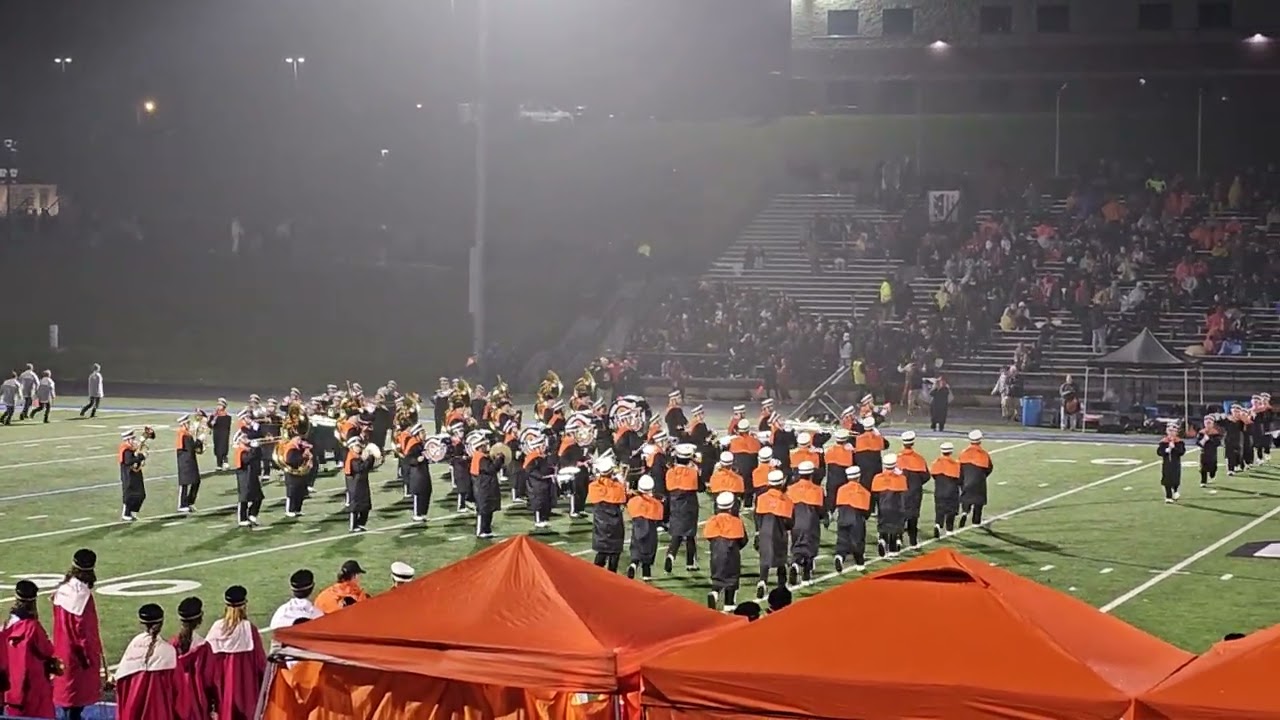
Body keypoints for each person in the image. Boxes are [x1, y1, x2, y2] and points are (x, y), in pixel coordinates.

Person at [52, 549, 104, 720]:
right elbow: (84, 633)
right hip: (78, 657)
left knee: (68, 700)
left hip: (62, 650)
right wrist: (91, 657)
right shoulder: (83, 596)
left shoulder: (62, 589)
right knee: (74, 703)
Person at [205, 586, 266, 720]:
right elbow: (261, 664)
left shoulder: (216, 629)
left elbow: (207, 665)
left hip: (222, 691)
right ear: (244, 606)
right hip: (246, 691)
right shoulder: (249, 630)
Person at [113, 603, 180, 720]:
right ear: (162, 623)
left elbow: (122, 685)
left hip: (133, 713)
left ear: (141, 623)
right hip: (160, 714)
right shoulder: (168, 651)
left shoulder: (133, 646)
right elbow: (177, 691)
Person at [3, 579, 57, 719]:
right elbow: (47, 650)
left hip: (10, 684)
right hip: (33, 684)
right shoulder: (32, 627)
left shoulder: (7, 625)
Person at [170, 597, 217, 720]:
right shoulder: (204, 648)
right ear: (199, 620)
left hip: (177, 703)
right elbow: (209, 680)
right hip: (198, 704)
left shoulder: (171, 646)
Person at [754, 470, 793, 599]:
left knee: (764, 558)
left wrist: (758, 532)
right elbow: (789, 522)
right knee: (781, 560)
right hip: (779, 532)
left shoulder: (761, 498)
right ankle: (782, 585)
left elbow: (757, 516)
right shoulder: (786, 500)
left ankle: (762, 581)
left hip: (764, 531)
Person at [704, 492, 747, 610]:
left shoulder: (711, 521)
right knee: (731, 579)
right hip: (732, 553)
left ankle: (715, 592)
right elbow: (744, 540)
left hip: (716, 553)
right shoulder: (736, 522)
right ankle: (729, 603)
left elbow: (709, 537)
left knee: (717, 576)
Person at [664, 443, 701, 573]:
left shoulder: (670, 472)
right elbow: (701, 487)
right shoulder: (693, 472)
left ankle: (671, 554)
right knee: (690, 533)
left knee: (677, 532)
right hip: (689, 502)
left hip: (674, 502)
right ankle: (690, 562)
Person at [587, 456, 627, 573]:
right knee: (614, 557)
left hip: (600, 526)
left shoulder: (593, 487)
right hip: (616, 526)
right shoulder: (618, 488)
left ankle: (595, 578)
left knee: (601, 554)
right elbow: (622, 497)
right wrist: (620, 479)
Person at [786, 461, 824, 585]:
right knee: (810, 547)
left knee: (797, 545)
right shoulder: (817, 489)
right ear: (811, 474)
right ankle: (806, 576)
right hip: (810, 520)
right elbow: (820, 509)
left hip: (795, 520)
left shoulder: (790, 489)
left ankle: (796, 564)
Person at [626, 475, 664, 580]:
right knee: (649, 549)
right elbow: (660, 516)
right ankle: (646, 573)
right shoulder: (655, 504)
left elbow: (629, 510)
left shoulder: (634, 501)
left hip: (637, 526)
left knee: (636, 547)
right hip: (650, 527)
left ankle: (634, 563)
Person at [896, 431, 931, 547]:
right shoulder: (919, 458)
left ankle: (898, 538)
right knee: (913, 515)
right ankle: (913, 540)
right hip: (915, 490)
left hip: (901, 490)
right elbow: (926, 476)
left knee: (900, 514)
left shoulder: (897, 458)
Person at [833, 466, 871, 573]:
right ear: (859, 477)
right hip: (856, 518)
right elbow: (866, 512)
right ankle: (859, 564)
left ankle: (840, 556)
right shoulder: (864, 492)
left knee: (842, 539)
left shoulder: (841, 489)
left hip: (842, 516)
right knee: (857, 541)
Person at [871, 453, 907, 558]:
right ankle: (892, 549)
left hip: (883, 505)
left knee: (883, 525)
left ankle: (882, 539)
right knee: (894, 527)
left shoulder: (877, 477)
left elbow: (875, 493)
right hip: (896, 506)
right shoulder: (900, 478)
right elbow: (904, 491)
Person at [468, 431, 503, 538]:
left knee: (489, 509)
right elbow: (491, 469)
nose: (487, 447)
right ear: (479, 447)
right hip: (483, 487)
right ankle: (481, 530)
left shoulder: (482, 457)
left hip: (487, 486)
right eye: (484, 445)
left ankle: (487, 530)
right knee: (483, 510)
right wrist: (499, 459)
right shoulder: (480, 458)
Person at [522, 431, 557, 529]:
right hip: (536, 486)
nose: (544, 447)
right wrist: (542, 476)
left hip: (544, 484)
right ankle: (538, 520)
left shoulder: (542, 457)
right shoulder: (532, 458)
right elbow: (530, 471)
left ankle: (544, 519)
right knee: (539, 503)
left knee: (545, 502)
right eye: (542, 446)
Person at [958, 430, 993, 528]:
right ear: (980, 440)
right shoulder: (984, 454)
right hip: (979, 480)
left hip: (966, 480)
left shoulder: (963, 453)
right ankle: (976, 521)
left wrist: (961, 481)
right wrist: (982, 476)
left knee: (966, 497)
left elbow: (959, 468)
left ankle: (965, 512)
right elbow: (989, 468)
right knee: (978, 501)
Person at [401, 425, 433, 523]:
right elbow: (407, 459)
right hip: (416, 472)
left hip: (423, 470)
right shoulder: (413, 444)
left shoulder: (422, 444)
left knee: (427, 491)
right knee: (419, 493)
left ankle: (423, 513)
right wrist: (416, 460)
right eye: (422, 433)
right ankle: (417, 514)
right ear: (417, 434)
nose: (425, 434)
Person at [233, 432, 264, 528]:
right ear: (240, 440)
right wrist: (254, 448)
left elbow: (258, 456)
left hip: (253, 476)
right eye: (244, 437)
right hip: (244, 477)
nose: (247, 438)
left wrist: (257, 447)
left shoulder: (249, 449)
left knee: (259, 497)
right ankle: (242, 519)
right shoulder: (240, 451)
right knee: (244, 498)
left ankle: (252, 514)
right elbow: (247, 459)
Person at [930, 442, 962, 537]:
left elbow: (934, 475)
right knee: (951, 510)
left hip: (939, 489)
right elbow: (959, 478)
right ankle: (949, 529)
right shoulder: (955, 464)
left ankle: (938, 524)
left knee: (939, 509)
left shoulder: (936, 463)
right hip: (951, 490)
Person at [174, 414, 203, 513]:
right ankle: (182, 504)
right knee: (184, 483)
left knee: (196, 481)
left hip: (190, 460)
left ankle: (190, 502)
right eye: (187, 423)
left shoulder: (186, 433)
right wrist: (199, 440)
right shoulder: (182, 434)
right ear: (183, 424)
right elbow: (190, 447)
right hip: (185, 462)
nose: (189, 424)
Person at [119, 430, 148, 521]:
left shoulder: (132, 448)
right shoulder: (125, 449)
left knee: (141, 494)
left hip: (135, 474)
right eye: (132, 438)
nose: (134, 440)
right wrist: (141, 456)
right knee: (130, 495)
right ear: (127, 439)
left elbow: (136, 458)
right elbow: (129, 461)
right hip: (129, 475)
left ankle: (132, 512)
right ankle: (126, 513)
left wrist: (142, 457)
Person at [1158, 422, 1186, 503]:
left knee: (1175, 479)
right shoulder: (1163, 442)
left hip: (1175, 464)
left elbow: (1182, 452)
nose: (1171, 432)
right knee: (1166, 479)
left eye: (1173, 431)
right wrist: (1166, 450)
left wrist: (1174, 448)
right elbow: (1159, 452)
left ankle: (1175, 490)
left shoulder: (1179, 442)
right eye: (1169, 430)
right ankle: (1168, 496)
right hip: (1166, 464)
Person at [1197, 415, 1222, 487]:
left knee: (1213, 467)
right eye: (1206, 423)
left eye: (1209, 423)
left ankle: (1212, 474)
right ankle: (1203, 481)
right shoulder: (1201, 432)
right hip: (1204, 452)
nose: (1208, 424)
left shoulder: (1215, 433)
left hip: (1212, 453)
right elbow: (1198, 443)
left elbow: (1218, 443)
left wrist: (1210, 440)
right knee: (1203, 467)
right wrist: (1204, 440)